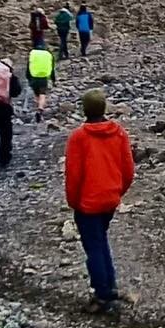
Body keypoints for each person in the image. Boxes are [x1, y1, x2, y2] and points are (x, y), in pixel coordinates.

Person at [64, 88, 135, 311]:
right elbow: (128, 170)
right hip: (109, 199)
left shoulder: (79, 137)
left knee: (94, 246)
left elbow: (73, 175)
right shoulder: (119, 133)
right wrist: (117, 192)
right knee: (100, 240)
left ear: (84, 109)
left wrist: (74, 201)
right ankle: (109, 285)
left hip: (88, 202)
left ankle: (103, 293)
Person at [27, 43, 56, 122]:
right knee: (42, 93)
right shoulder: (48, 55)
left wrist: (28, 78)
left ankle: (37, 107)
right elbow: (52, 68)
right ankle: (40, 109)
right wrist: (53, 80)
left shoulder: (32, 53)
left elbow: (29, 66)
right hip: (43, 77)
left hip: (34, 76)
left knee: (36, 94)